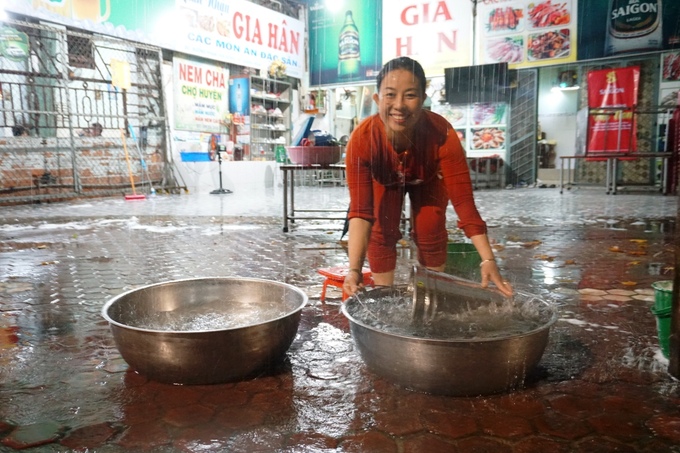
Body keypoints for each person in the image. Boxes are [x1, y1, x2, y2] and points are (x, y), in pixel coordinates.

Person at [342, 56, 513, 298]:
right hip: (385, 180)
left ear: (423, 99)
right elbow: (361, 212)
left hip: (429, 179)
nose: (399, 105)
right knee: (381, 231)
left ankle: (432, 297)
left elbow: (464, 204)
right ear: (378, 99)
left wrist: (487, 259)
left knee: (430, 229)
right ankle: (383, 297)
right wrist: (354, 270)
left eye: (410, 95)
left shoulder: (442, 134)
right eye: (390, 95)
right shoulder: (363, 139)